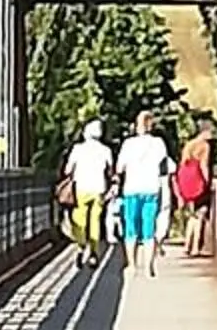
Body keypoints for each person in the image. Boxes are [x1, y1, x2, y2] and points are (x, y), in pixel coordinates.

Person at [112, 111, 173, 273]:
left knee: (131, 227)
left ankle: (132, 264)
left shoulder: (128, 144)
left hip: (131, 189)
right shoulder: (159, 143)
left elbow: (119, 168)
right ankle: (149, 265)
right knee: (149, 227)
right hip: (152, 188)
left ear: (136, 125)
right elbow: (163, 166)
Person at [60, 118, 114, 260]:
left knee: (79, 218)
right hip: (99, 189)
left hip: (81, 188)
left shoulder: (78, 149)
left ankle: (81, 245)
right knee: (95, 220)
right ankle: (94, 252)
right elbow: (110, 171)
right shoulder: (106, 150)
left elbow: (67, 170)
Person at [174, 124, 215, 255]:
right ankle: (195, 247)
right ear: (205, 132)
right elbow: (204, 165)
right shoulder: (205, 146)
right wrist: (207, 181)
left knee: (192, 216)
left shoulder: (189, 144)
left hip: (187, 181)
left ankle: (187, 244)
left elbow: (182, 164)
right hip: (198, 182)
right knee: (201, 214)